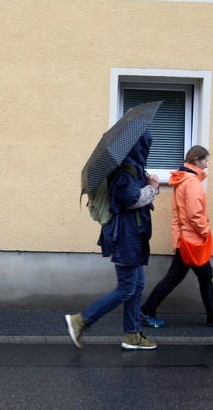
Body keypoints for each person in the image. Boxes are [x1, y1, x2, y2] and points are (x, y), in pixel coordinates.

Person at [66, 130, 160, 350]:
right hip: (126, 237)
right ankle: (81, 320)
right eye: (146, 145)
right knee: (127, 288)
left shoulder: (132, 168)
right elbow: (131, 199)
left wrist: (146, 182)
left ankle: (132, 335)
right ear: (139, 146)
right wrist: (152, 188)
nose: (148, 149)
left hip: (133, 235)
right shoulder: (126, 170)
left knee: (138, 285)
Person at [140, 145, 213, 328]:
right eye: (205, 161)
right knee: (180, 277)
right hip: (191, 240)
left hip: (186, 238)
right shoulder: (191, 182)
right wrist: (205, 231)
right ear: (196, 160)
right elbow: (194, 213)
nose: (206, 165)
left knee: (202, 275)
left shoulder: (183, 179)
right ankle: (146, 311)